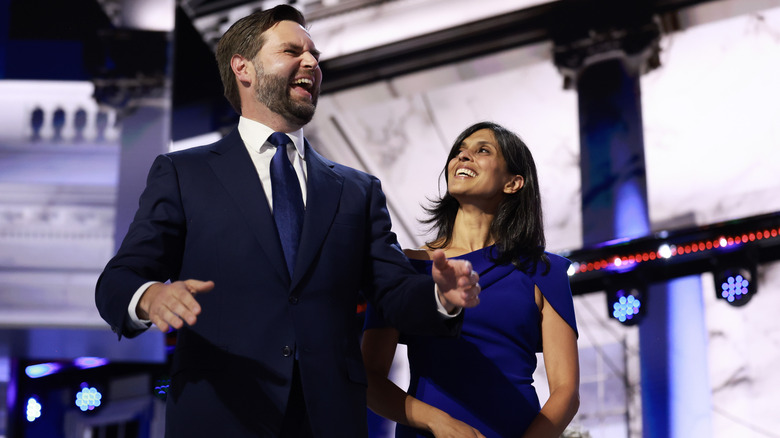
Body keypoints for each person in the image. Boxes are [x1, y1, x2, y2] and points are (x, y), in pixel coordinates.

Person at [94, 5, 482, 438]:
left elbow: (391, 291)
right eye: (292, 51)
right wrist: (150, 297)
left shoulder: (357, 190)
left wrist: (439, 296)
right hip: (220, 415)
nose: (313, 62)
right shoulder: (184, 174)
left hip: (329, 420)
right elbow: (118, 280)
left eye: (314, 54)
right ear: (244, 68)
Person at [361, 122, 580, 438]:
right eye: (459, 152)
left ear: (513, 182)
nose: (463, 157)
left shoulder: (545, 272)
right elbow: (370, 376)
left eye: (482, 150)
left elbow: (566, 391)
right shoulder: (404, 266)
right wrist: (439, 423)